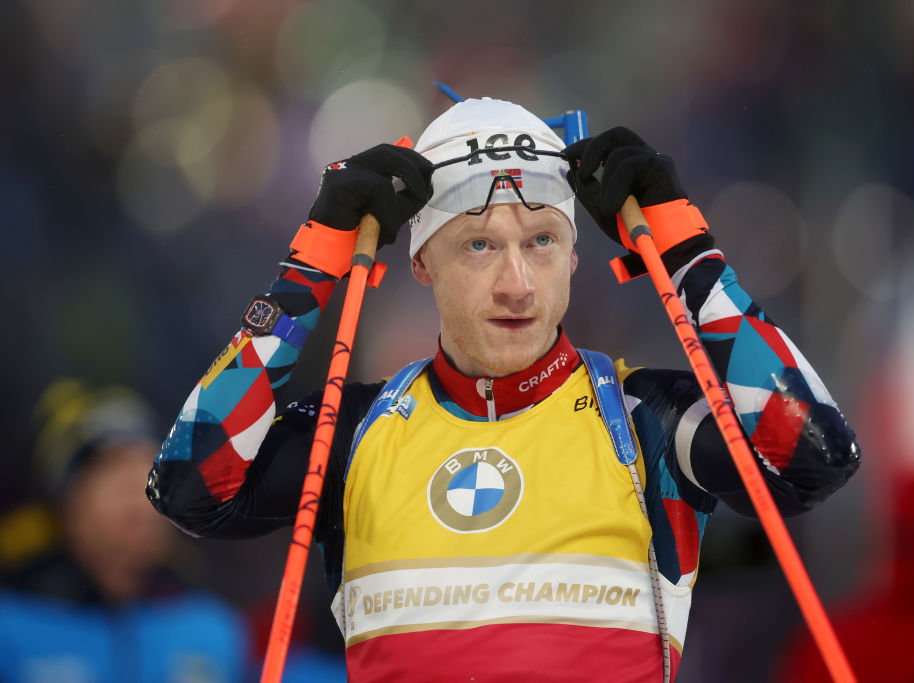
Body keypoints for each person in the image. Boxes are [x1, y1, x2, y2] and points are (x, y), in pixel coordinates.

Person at [146, 97, 861, 681]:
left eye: (541, 241)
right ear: (423, 262)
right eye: (479, 244)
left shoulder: (648, 418)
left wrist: (687, 250)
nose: (517, 283)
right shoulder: (358, 430)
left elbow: (816, 454)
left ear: (576, 256)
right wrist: (309, 270)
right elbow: (187, 486)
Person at [0, 380, 248, 683]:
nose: (136, 488)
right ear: (67, 504)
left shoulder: (215, 629)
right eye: (111, 467)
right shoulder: (12, 627)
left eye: (153, 466)